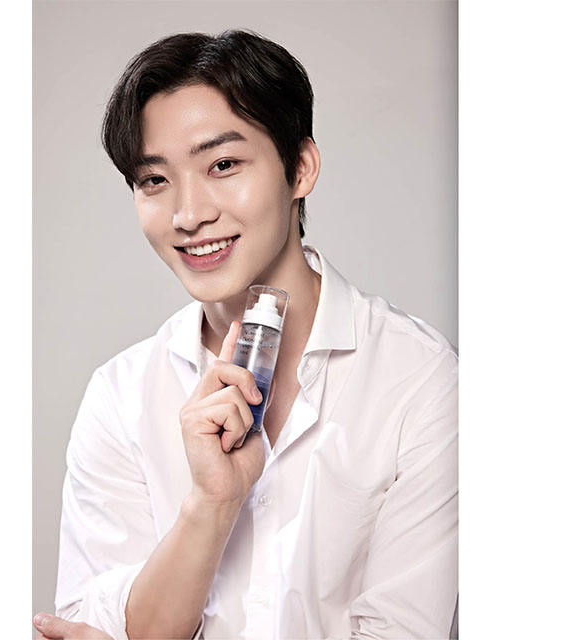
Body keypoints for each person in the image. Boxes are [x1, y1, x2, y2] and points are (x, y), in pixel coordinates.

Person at [33, 29, 458, 640]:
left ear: (301, 168)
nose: (189, 214)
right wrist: (210, 505)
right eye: (154, 180)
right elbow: (90, 626)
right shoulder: (122, 395)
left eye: (223, 165)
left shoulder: (419, 380)